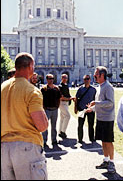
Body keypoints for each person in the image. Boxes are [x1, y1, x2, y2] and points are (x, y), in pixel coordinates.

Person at [1, 52, 48, 180]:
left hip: (4, 148)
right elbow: (42, 125)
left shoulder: (2, 88)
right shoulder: (31, 91)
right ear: (30, 66)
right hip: (27, 147)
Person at [87, 66, 116, 174]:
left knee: (108, 141)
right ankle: (106, 160)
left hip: (107, 119)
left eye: (96, 75)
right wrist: (92, 109)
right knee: (103, 140)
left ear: (102, 75)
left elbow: (110, 103)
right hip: (100, 117)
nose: (94, 77)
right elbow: (100, 102)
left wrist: (96, 104)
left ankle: (112, 162)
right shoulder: (100, 86)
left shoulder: (108, 87)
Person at [75, 74, 96, 143]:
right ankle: (80, 139)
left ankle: (91, 138)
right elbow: (76, 99)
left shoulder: (93, 89)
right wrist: (75, 108)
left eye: (87, 79)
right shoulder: (80, 89)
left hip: (90, 110)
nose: (86, 80)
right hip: (82, 109)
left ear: (90, 80)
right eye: (85, 79)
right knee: (80, 125)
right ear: (83, 80)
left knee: (91, 125)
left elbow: (96, 100)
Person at [41, 74, 61, 147]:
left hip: (54, 109)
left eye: (52, 78)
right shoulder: (44, 89)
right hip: (47, 109)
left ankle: (54, 140)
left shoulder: (56, 88)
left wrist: (58, 106)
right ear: (47, 79)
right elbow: (41, 99)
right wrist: (43, 107)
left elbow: (59, 98)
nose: (51, 80)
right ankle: (44, 140)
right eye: (49, 78)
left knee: (54, 126)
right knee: (45, 126)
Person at [58, 74, 75, 139]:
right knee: (68, 116)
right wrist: (69, 99)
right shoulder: (60, 86)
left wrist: (71, 98)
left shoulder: (66, 85)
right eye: (64, 78)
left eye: (66, 78)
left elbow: (68, 94)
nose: (65, 79)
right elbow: (61, 97)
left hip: (66, 103)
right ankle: (63, 132)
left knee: (62, 118)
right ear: (61, 78)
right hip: (62, 103)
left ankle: (60, 131)